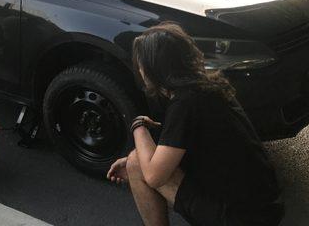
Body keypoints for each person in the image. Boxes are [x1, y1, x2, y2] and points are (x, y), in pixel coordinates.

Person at [107, 22, 283, 226]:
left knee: (139, 162)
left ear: (154, 67)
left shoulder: (185, 104)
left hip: (240, 218)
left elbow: (154, 176)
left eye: (141, 64)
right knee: (138, 162)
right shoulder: (206, 87)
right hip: (266, 204)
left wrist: (138, 125)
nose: (139, 69)